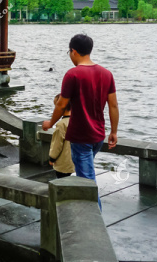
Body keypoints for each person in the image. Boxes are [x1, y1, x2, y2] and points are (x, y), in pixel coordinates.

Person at [42, 34, 118, 211]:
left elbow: (61, 105)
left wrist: (51, 123)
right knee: (87, 172)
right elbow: (113, 105)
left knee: (87, 181)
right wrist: (114, 131)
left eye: (69, 52)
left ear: (74, 51)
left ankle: (94, 220)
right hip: (98, 136)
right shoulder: (107, 74)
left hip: (81, 136)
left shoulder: (73, 74)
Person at [47, 94, 75, 179]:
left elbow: (57, 145)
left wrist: (52, 158)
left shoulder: (61, 124)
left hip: (63, 164)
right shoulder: (77, 121)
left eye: (56, 107)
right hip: (75, 162)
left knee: (62, 183)